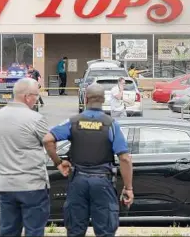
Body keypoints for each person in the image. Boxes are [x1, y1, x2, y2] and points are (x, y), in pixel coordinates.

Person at [43, 83, 134, 237]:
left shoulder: (73, 122)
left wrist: (58, 163)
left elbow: (47, 140)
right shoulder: (111, 124)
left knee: (75, 230)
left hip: (78, 182)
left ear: (85, 99)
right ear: (103, 99)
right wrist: (128, 188)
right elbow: (124, 158)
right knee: (105, 231)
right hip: (102, 183)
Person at [0, 78, 51, 237]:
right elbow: (49, 141)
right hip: (32, 186)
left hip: (6, 185)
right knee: (34, 231)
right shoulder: (35, 119)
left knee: (8, 230)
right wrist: (58, 162)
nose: (37, 99)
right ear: (27, 97)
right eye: (36, 95)